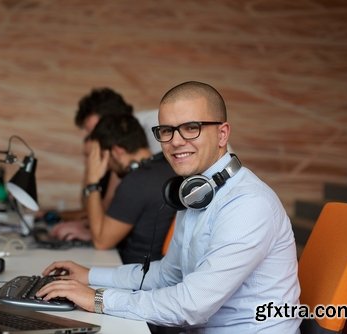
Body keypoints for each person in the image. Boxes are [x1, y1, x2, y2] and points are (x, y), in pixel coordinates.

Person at [37, 81, 301, 333]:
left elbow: (192, 305)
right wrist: (90, 275)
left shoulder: (248, 205)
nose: (175, 141)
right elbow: (165, 275)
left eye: (191, 127)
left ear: (222, 134)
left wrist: (97, 299)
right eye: (167, 130)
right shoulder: (195, 193)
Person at [71, 113, 176, 264]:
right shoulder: (166, 167)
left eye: (100, 156)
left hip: (135, 274)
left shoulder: (137, 181)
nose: (105, 166)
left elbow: (101, 242)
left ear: (117, 151)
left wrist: (92, 181)